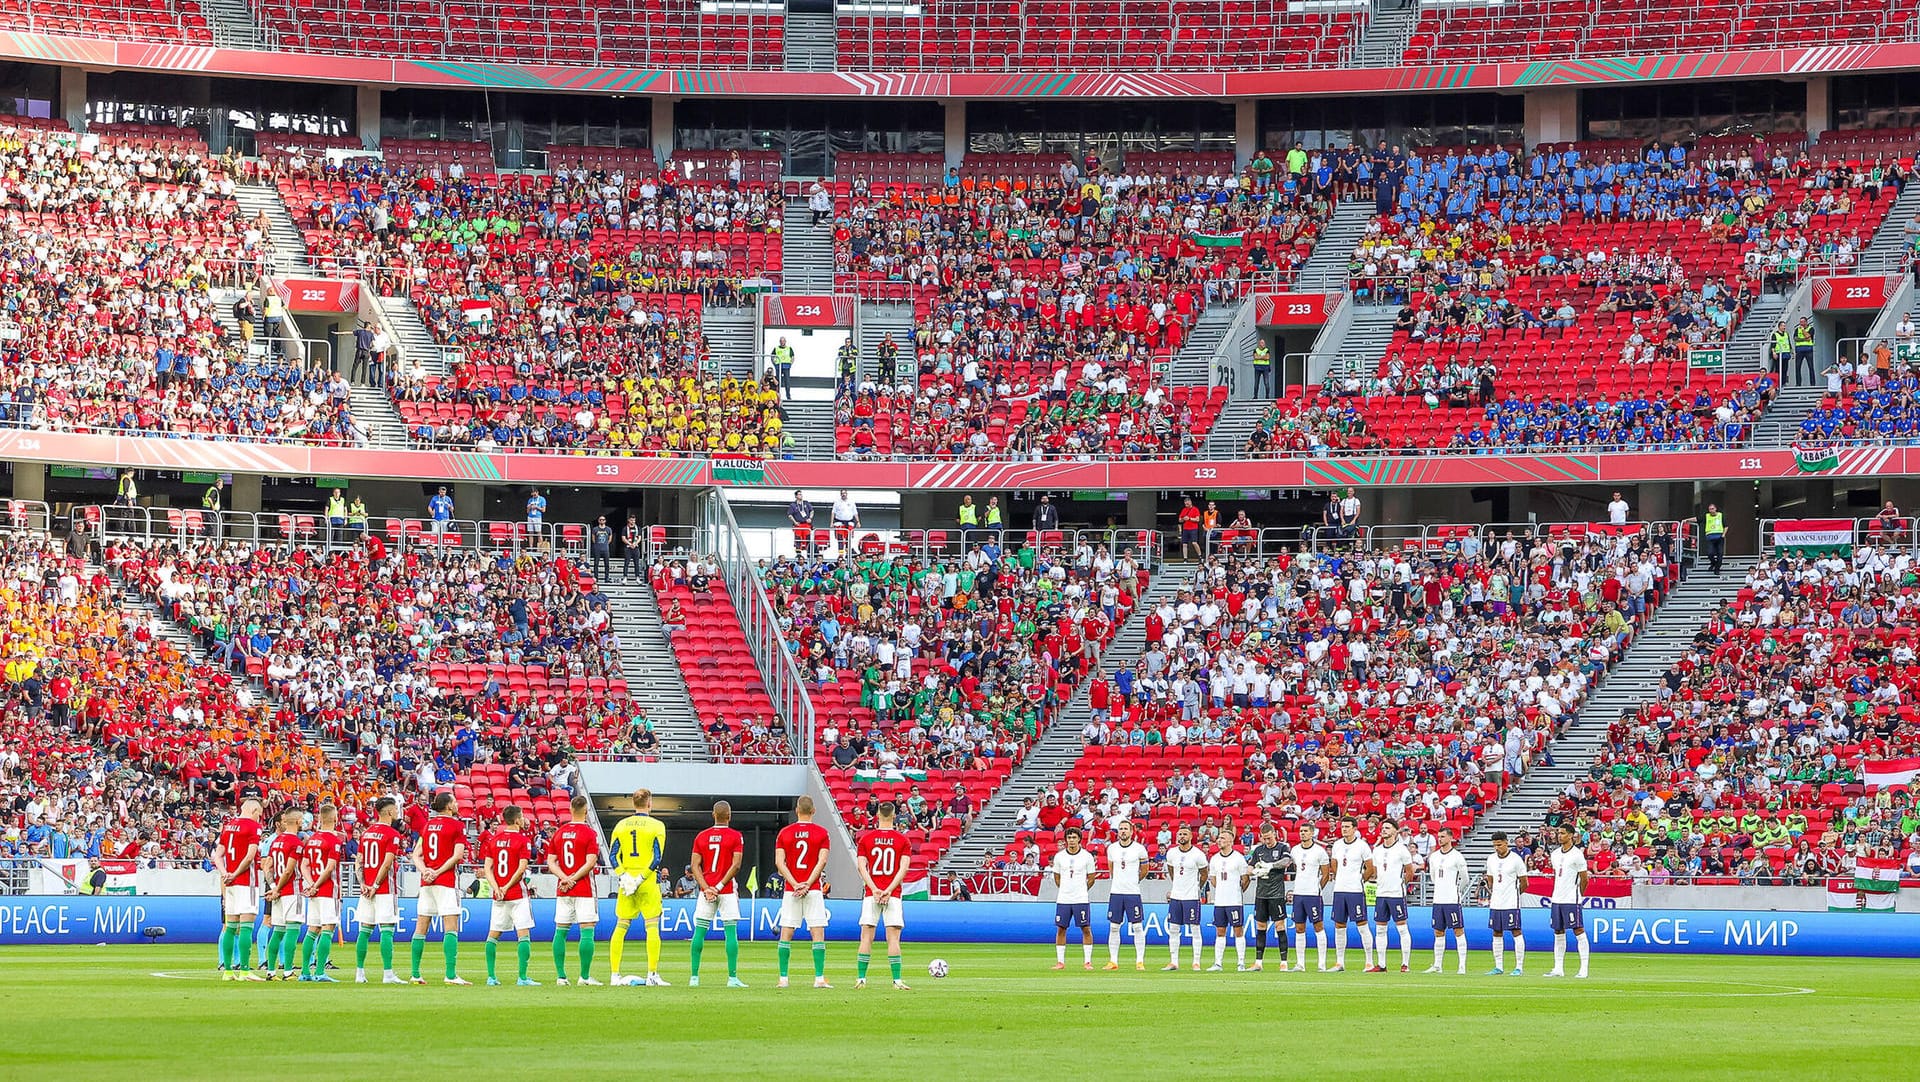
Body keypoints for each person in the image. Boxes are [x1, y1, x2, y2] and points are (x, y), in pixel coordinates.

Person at [409, 791, 470, 985]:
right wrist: (436, 871)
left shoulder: (428, 826)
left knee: (421, 926)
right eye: (455, 801)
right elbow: (457, 855)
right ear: (449, 806)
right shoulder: (457, 826)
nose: (458, 804)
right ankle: (450, 974)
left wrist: (426, 870)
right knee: (450, 927)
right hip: (445, 881)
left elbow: (415, 855)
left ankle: (415, 973)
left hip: (426, 881)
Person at [607, 788, 666, 987]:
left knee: (621, 926)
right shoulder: (657, 826)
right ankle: (652, 974)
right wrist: (640, 878)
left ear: (633, 803)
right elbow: (656, 857)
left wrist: (624, 877)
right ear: (649, 803)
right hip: (646, 881)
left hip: (626, 882)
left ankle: (614, 974)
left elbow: (613, 855)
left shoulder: (621, 825)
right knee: (652, 926)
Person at [774, 795, 833, 989]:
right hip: (813, 889)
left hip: (792, 889)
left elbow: (779, 863)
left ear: (797, 811)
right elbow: (822, 861)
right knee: (817, 933)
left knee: (786, 932)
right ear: (813, 811)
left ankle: (783, 978)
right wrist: (808, 883)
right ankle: (819, 978)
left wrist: (795, 883)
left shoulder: (785, 833)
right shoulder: (822, 833)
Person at [855, 800, 913, 990]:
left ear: (877, 816)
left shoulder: (866, 839)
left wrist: (874, 888)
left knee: (866, 937)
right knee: (893, 938)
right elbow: (903, 868)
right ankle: (896, 980)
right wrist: (888, 889)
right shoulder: (903, 840)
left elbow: (861, 867)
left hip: (872, 894)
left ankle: (861, 979)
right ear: (894, 815)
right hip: (893, 894)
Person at [689, 801, 748, 988]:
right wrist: (720, 886)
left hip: (706, 891)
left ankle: (694, 977)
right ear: (729, 816)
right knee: (730, 932)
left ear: (713, 814)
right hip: (727, 890)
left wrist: (706, 887)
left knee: (699, 932)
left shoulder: (702, 836)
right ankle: (732, 978)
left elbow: (694, 865)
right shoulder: (735, 836)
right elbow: (736, 865)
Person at [481, 805, 539, 986]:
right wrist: (506, 887)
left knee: (493, 936)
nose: (523, 820)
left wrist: (497, 887)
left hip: (499, 895)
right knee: (523, 935)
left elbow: (487, 868)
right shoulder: (522, 840)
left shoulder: (494, 840)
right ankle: (522, 977)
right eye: (522, 817)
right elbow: (522, 868)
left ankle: (491, 977)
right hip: (517, 894)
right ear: (516, 819)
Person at [550, 794, 604, 985]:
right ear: (586, 811)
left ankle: (561, 976)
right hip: (584, 888)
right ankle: (585, 976)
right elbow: (591, 862)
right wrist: (573, 878)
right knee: (587, 930)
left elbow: (550, 862)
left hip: (563, 888)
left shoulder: (560, 832)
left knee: (561, 931)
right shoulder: (590, 833)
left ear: (571, 810)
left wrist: (564, 878)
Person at [353, 796, 405, 984]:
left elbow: (358, 860)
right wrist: (375, 885)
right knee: (387, 930)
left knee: (364, 931)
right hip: (383, 888)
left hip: (365, 889)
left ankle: (359, 973)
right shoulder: (392, 835)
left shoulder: (366, 833)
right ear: (390, 812)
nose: (398, 814)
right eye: (397, 810)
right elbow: (387, 862)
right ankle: (388, 974)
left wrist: (363, 884)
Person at [213, 797, 265, 981]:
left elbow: (217, 855)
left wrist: (225, 873)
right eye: (259, 813)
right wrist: (234, 873)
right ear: (253, 810)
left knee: (230, 926)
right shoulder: (253, 827)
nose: (260, 817)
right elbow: (251, 856)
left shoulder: (228, 826)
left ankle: (228, 971)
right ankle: (244, 970)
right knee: (246, 928)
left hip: (230, 884)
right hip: (245, 882)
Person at [297, 803, 343, 983]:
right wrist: (316, 884)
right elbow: (330, 867)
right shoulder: (334, 840)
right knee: (327, 928)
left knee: (312, 929)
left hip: (314, 892)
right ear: (334, 818)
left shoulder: (312, 839)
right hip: (328, 890)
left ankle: (305, 971)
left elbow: (304, 865)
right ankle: (320, 971)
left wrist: (310, 884)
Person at [261, 807, 306, 980]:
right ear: (298, 821)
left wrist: (273, 887)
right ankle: (288, 971)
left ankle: (271, 971)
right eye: (302, 820)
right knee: (292, 931)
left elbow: (268, 866)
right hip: (291, 891)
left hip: (278, 893)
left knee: (278, 931)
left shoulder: (276, 841)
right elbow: (288, 871)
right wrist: (278, 889)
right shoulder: (296, 843)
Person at [1049, 827, 1098, 970]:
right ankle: (1060, 962)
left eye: (1074, 838)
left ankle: (1087, 961)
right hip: (1063, 899)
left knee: (1086, 928)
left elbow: (1091, 878)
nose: (1071, 840)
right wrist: (1065, 889)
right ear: (1066, 840)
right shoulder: (1059, 857)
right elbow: (1057, 878)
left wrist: (1081, 890)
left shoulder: (1086, 856)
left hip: (1081, 898)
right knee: (1061, 929)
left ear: (1079, 839)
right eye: (1069, 838)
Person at [1328, 817, 1373, 973]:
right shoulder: (1337, 845)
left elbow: (1370, 868)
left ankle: (1369, 962)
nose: (1344, 829)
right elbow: (1334, 863)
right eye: (1343, 826)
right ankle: (1340, 962)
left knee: (1362, 925)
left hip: (1355, 891)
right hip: (1339, 890)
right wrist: (1339, 875)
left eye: (1347, 826)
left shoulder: (1362, 846)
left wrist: (1360, 880)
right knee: (1339, 926)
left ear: (1355, 828)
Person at [1103, 819, 1149, 970]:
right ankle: (1113, 961)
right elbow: (1111, 869)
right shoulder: (1112, 848)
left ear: (1131, 831)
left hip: (1132, 893)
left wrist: (1134, 881)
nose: (1123, 831)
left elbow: (1144, 869)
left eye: (1125, 829)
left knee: (1137, 926)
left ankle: (1140, 961)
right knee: (1114, 927)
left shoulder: (1139, 849)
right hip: (1116, 892)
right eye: (1120, 829)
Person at [1247, 821, 1292, 972]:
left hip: (1276, 894)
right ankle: (1258, 962)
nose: (1267, 841)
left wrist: (1271, 866)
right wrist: (1254, 871)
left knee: (1279, 925)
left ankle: (1284, 962)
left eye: (1269, 838)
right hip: (1261, 893)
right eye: (1264, 838)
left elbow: (1286, 861)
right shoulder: (1259, 850)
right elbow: (1249, 867)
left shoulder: (1282, 847)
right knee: (1261, 926)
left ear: (1274, 834)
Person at [1545, 827, 1590, 979]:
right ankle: (1558, 968)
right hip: (1557, 898)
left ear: (1571, 835)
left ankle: (1583, 969)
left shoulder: (1577, 855)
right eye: (1558, 833)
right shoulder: (1555, 854)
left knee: (1578, 930)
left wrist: (1579, 895)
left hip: (1572, 899)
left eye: (1563, 833)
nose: (1559, 836)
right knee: (1558, 931)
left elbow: (1585, 878)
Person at [1370, 820, 1414, 973]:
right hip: (1381, 894)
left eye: (1387, 828)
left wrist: (1401, 884)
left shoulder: (1402, 850)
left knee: (1402, 928)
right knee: (1380, 929)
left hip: (1396, 894)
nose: (1383, 830)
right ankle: (1381, 964)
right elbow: (1376, 871)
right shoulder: (1377, 850)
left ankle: (1405, 964)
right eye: (1382, 828)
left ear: (1395, 832)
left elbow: (1410, 871)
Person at [1161, 824, 1207, 971]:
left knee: (1194, 928)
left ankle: (1196, 961)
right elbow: (1170, 869)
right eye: (1180, 834)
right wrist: (1176, 885)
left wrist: (1197, 887)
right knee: (1174, 928)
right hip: (1176, 896)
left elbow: (1204, 873)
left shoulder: (1198, 854)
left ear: (1191, 836)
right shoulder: (1172, 853)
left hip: (1191, 897)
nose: (1182, 837)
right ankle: (1174, 961)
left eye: (1185, 834)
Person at [1425, 827, 1469, 975]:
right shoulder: (1434, 857)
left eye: (1443, 836)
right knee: (1438, 931)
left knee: (1458, 930)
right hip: (1438, 900)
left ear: (1450, 838)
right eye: (1439, 836)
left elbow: (1465, 879)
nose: (1440, 839)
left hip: (1452, 900)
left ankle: (1462, 966)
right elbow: (1433, 877)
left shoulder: (1457, 857)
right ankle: (1437, 965)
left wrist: (1457, 891)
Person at [1206, 834, 1251, 972]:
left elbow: (1245, 879)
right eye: (1219, 838)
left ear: (1231, 841)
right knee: (1220, 931)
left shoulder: (1238, 858)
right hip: (1220, 901)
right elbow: (1213, 880)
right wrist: (1221, 889)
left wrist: (1237, 890)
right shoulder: (1214, 859)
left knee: (1238, 930)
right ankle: (1218, 963)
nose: (1220, 841)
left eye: (1223, 838)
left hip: (1234, 901)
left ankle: (1241, 963)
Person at [1485, 831, 1528, 976]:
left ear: (1506, 843)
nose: (1497, 848)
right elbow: (1490, 879)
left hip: (1511, 903)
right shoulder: (1491, 859)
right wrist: (1495, 892)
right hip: (1496, 902)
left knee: (1516, 931)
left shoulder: (1516, 859)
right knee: (1496, 932)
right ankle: (1498, 966)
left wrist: (1514, 894)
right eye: (1494, 845)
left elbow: (1524, 882)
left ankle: (1519, 967)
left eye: (1499, 845)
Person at [1288, 823, 1330, 972]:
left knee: (1318, 926)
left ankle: (1322, 964)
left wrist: (1318, 888)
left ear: (1312, 833)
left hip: (1313, 894)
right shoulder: (1295, 850)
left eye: (1305, 831)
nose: (1302, 833)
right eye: (1301, 831)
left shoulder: (1320, 852)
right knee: (1299, 928)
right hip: (1299, 893)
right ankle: (1300, 964)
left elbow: (1326, 874)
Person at [1703, 503, 1726, 574]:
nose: (1711, 510)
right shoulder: (1707, 516)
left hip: (1719, 537)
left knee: (1720, 554)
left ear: (1715, 509)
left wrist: (1723, 535)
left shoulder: (1720, 515)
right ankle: (1713, 563)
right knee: (1710, 553)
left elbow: (1726, 526)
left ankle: (1717, 569)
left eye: (1712, 509)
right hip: (1710, 537)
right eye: (1710, 509)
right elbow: (1697, 519)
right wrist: (1687, 520)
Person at [589, 516, 613, 580]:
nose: (602, 521)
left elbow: (610, 539)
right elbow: (593, 539)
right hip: (597, 549)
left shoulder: (608, 529)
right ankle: (596, 577)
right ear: (598, 521)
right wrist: (597, 544)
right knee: (596, 564)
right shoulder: (595, 529)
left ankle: (606, 578)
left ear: (605, 521)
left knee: (607, 564)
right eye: (600, 520)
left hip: (605, 549)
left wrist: (605, 544)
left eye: (603, 520)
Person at [622, 515, 644, 580]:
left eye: (634, 520)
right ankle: (625, 577)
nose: (633, 521)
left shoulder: (638, 528)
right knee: (626, 562)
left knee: (636, 563)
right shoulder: (625, 528)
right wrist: (630, 544)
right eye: (631, 520)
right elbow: (623, 538)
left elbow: (639, 538)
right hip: (628, 547)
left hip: (635, 547)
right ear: (628, 520)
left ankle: (637, 577)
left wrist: (635, 543)